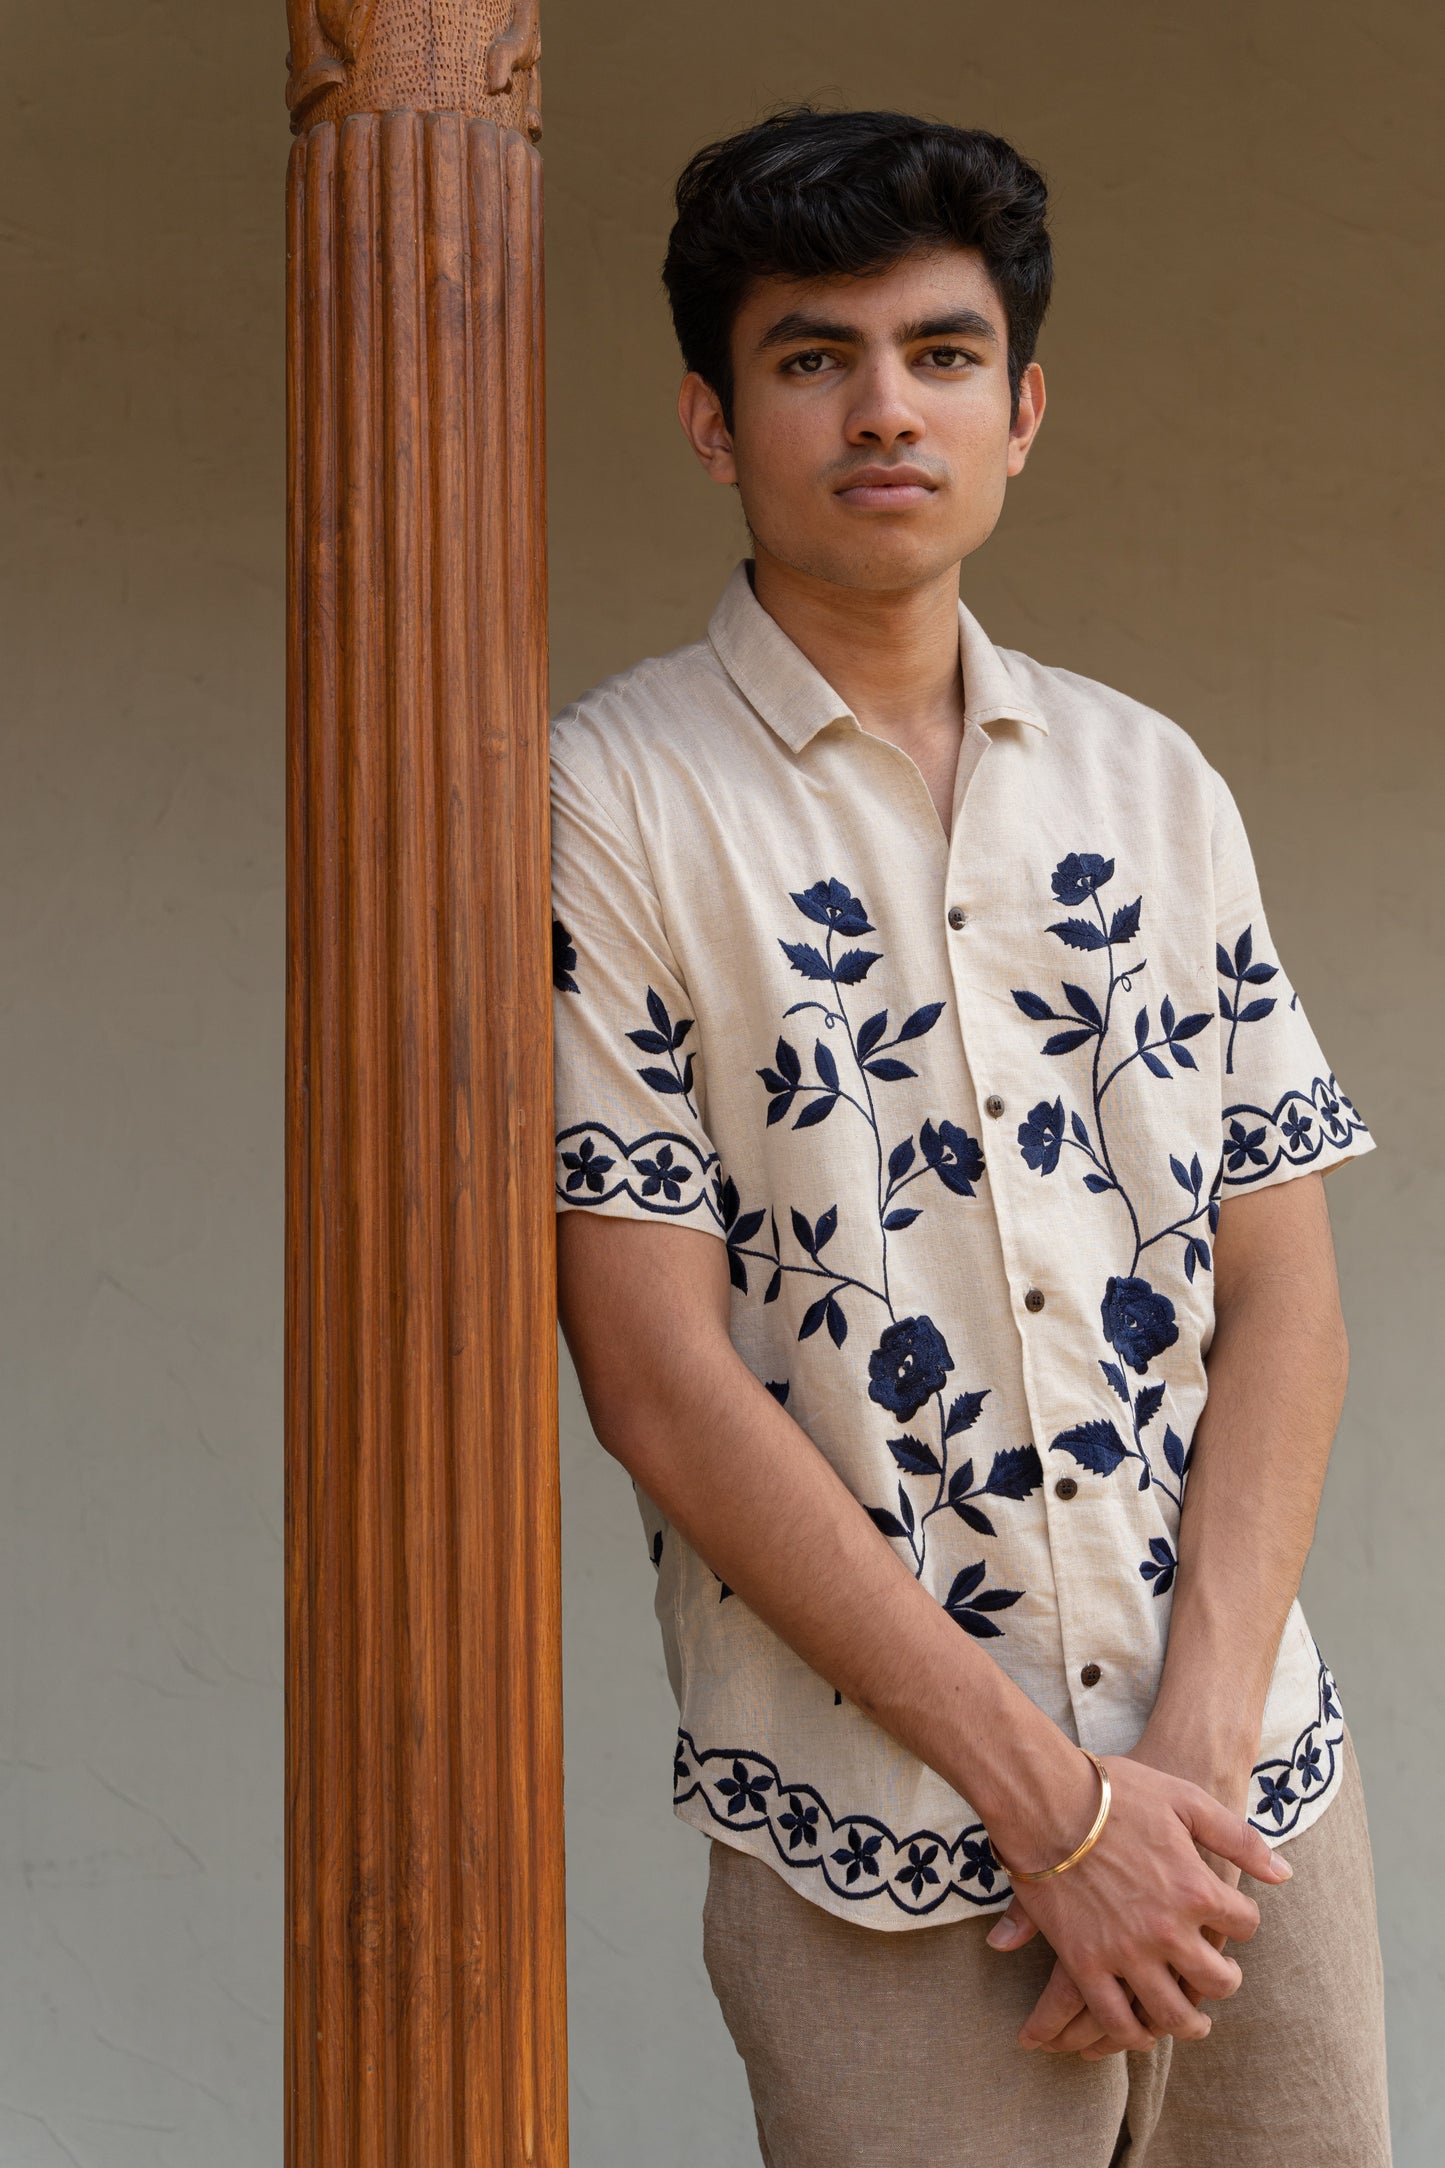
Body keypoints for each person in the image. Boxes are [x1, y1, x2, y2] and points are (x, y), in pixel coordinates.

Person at [548, 105, 1390, 2166]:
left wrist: (1176, 1770)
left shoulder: (1150, 780)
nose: (883, 408)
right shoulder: (609, 804)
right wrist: (1051, 1805)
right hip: (888, 1841)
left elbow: (1282, 1291)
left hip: (1246, 1812)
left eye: (939, 354)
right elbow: (652, 1371)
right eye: (811, 356)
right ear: (709, 417)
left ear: (1024, 408)